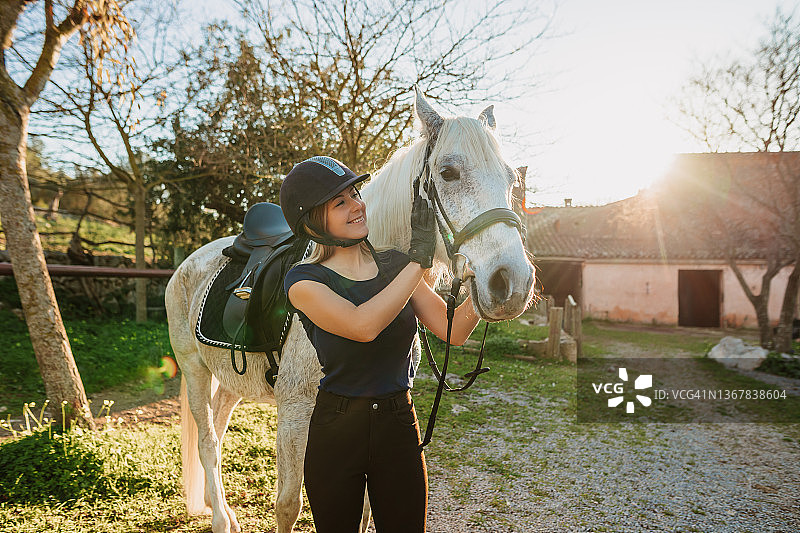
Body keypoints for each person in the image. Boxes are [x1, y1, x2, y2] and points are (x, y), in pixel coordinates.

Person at [280, 156, 481, 533]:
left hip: (398, 424)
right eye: (341, 202)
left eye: (355, 193)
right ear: (312, 221)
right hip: (336, 431)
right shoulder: (304, 281)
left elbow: (452, 330)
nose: (358, 204)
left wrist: (489, 290)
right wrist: (417, 264)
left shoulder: (395, 266)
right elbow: (363, 325)